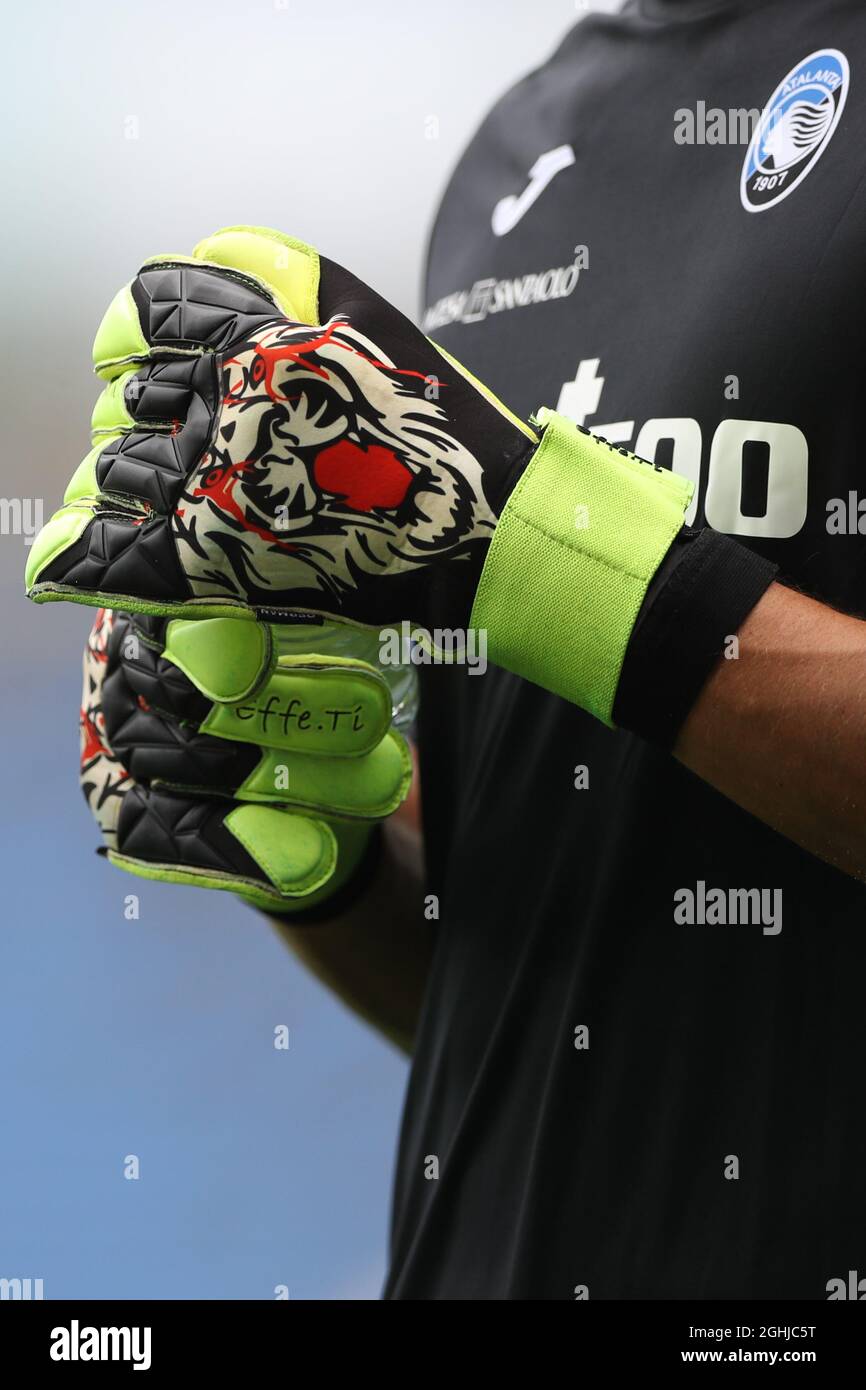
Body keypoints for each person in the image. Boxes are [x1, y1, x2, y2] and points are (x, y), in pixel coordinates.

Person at [27, 0, 866, 1298]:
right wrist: (305, 840)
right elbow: (520, 995)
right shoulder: (522, 147)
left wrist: (535, 554)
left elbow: (548, 574)